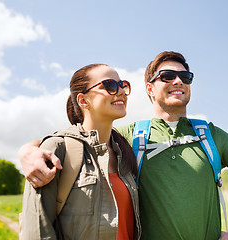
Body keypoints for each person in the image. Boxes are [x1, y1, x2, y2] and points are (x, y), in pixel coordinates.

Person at [19, 52, 228, 240]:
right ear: (150, 89)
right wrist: (28, 150)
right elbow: (78, 139)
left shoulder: (212, 137)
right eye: (167, 76)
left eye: (185, 76)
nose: (178, 81)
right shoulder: (128, 137)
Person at [19, 64, 141, 240]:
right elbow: (37, 232)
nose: (121, 91)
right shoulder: (56, 150)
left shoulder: (126, 152)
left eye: (122, 85)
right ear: (83, 101)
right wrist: (27, 149)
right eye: (110, 85)